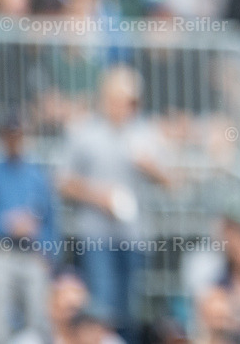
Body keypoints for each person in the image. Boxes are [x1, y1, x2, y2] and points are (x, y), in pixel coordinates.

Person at [57, 65, 172, 343]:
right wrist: (99, 196)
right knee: (102, 305)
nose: (125, 106)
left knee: (130, 307)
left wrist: (150, 167)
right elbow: (63, 181)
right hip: (97, 234)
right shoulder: (85, 132)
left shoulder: (146, 133)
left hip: (134, 235)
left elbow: (171, 181)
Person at [0, 112, 58, 343]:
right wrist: (4, 223)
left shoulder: (35, 174)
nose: (14, 141)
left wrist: (48, 252)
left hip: (31, 253)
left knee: (38, 324)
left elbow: (50, 218)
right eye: (9, 136)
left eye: (18, 135)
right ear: (1, 138)